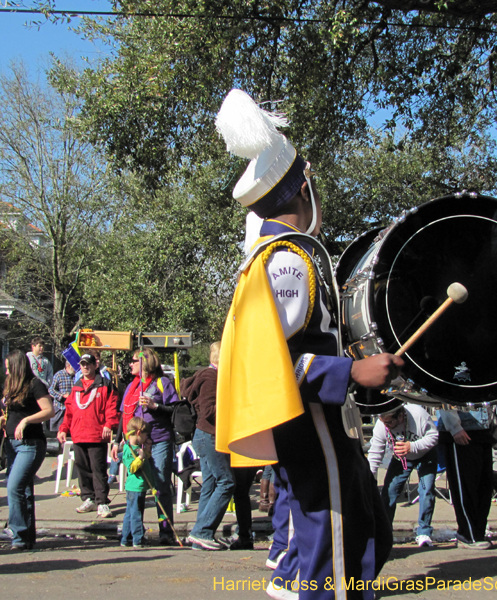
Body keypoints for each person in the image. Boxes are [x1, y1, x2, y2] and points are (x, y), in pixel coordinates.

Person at [214, 89, 402, 599]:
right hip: (313, 420)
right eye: (312, 183)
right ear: (302, 190)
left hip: (320, 419)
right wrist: (349, 373)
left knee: (362, 533)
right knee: (333, 552)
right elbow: (271, 362)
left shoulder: (285, 255)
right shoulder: (287, 260)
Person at [0, 349, 54, 550]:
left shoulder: (34, 384)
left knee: (14, 487)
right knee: (24, 490)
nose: (6, 372)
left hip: (30, 444)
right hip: (12, 443)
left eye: (9, 368)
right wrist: (3, 419)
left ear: (18, 367)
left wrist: (26, 421)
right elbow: (13, 411)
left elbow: (48, 410)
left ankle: (17, 533)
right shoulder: (10, 385)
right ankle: (27, 537)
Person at [180, 341, 235, 550]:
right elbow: (209, 411)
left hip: (204, 435)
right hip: (209, 435)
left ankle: (201, 534)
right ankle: (202, 531)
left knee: (210, 485)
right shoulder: (211, 378)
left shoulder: (210, 376)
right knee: (227, 482)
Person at [367, 402, 439, 547]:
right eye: (383, 422)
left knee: (427, 490)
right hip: (401, 457)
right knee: (389, 492)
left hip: (425, 453)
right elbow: (376, 452)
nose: (386, 426)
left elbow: (434, 436)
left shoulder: (418, 414)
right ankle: (384, 532)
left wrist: (412, 446)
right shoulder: (381, 426)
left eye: (389, 422)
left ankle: (424, 532)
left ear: (400, 416)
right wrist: (368, 477)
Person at [129, 347, 181, 545]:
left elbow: (175, 409)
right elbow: (124, 414)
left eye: (134, 360)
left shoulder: (163, 382)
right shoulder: (133, 385)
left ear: (145, 362)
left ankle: (166, 533)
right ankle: (136, 533)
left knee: (160, 486)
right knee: (138, 486)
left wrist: (155, 406)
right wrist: (119, 440)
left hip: (159, 440)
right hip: (137, 442)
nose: (130, 364)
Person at [57, 353, 118, 519]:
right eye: (83, 364)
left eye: (88, 364)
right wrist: (63, 428)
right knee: (82, 469)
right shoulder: (76, 387)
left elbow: (111, 408)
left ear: (95, 365)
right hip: (78, 434)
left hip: (96, 434)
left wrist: (108, 425)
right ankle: (88, 498)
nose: (85, 367)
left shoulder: (105, 385)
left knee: (98, 469)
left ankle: (102, 501)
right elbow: (69, 411)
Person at [438, 406, 497, 549]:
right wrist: (454, 427)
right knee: (465, 486)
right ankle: (468, 534)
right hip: (462, 429)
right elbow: (444, 397)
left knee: (484, 487)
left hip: (483, 428)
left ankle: (478, 532)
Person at [120, 416, 153, 548]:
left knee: (130, 512)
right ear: (138, 433)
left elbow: (145, 461)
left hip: (140, 485)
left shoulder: (138, 446)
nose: (146, 438)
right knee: (136, 513)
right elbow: (132, 468)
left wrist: (146, 451)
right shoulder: (128, 449)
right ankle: (137, 539)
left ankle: (125, 538)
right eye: (146, 435)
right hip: (135, 487)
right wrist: (140, 457)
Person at [49, 359, 75, 432]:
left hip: (72, 409)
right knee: (57, 431)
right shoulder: (59, 375)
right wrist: (62, 395)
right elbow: (51, 390)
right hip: (60, 408)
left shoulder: (77, 376)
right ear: (69, 366)